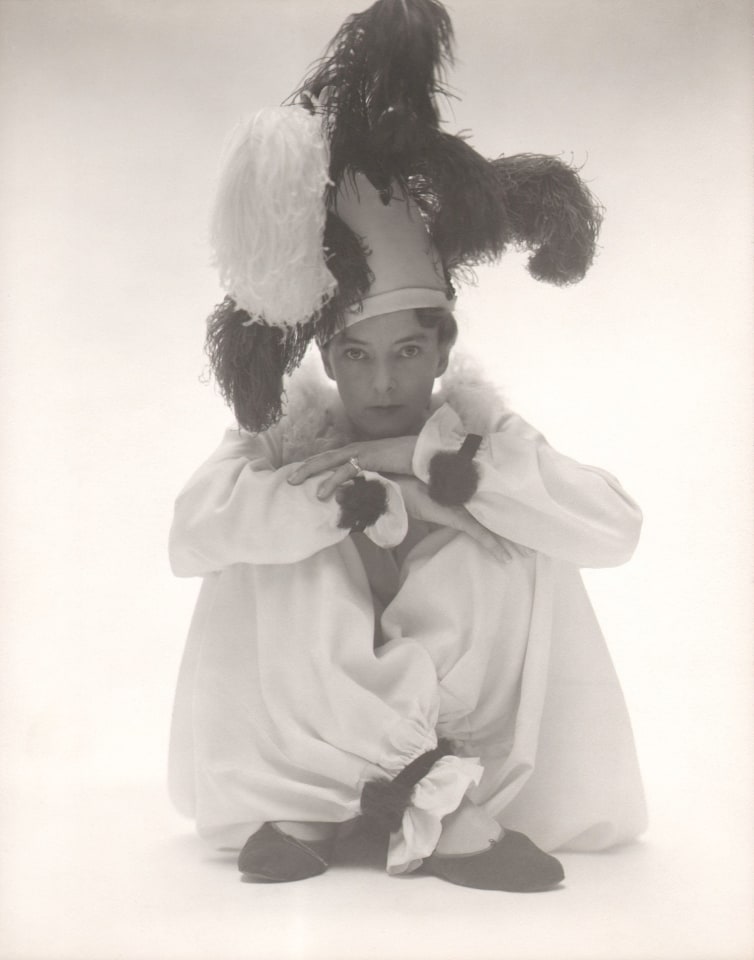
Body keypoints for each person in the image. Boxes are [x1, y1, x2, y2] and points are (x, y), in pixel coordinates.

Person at [167, 0, 647, 891]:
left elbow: (613, 530)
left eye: (407, 354)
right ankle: (321, 800)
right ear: (326, 355)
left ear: (443, 348)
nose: (383, 384)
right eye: (357, 356)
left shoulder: (482, 432)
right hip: (299, 742)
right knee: (277, 545)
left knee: (509, 542)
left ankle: (443, 794)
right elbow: (188, 535)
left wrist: (430, 475)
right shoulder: (284, 441)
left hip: (471, 735)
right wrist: (338, 490)